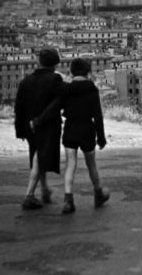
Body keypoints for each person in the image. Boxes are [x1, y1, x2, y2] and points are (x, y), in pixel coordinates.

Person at [33, 58, 109, 214]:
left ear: (72, 72)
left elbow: (53, 108)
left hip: (70, 129)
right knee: (91, 164)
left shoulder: (66, 89)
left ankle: (68, 200)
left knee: (70, 164)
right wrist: (101, 138)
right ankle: (98, 193)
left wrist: (38, 121)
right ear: (88, 72)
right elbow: (98, 116)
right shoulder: (92, 89)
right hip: (87, 129)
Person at [14, 47, 63, 210]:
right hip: (46, 125)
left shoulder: (25, 81)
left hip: (29, 128)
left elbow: (18, 108)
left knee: (37, 156)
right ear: (55, 63)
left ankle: (44, 190)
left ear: (38, 61)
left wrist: (19, 130)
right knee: (38, 158)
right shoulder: (55, 79)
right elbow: (58, 104)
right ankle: (29, 195)